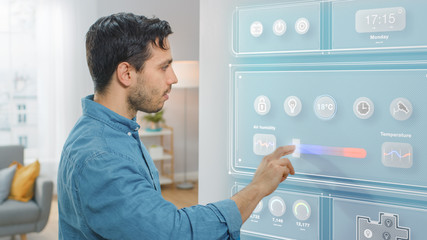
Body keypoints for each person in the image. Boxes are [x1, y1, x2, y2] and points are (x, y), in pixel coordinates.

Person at [57, 12, 295, 240]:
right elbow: (176, 233)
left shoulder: (110, 131)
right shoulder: (102, 158)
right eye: (163, 67)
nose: (173, 78)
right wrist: (258, 188)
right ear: (126, 73)